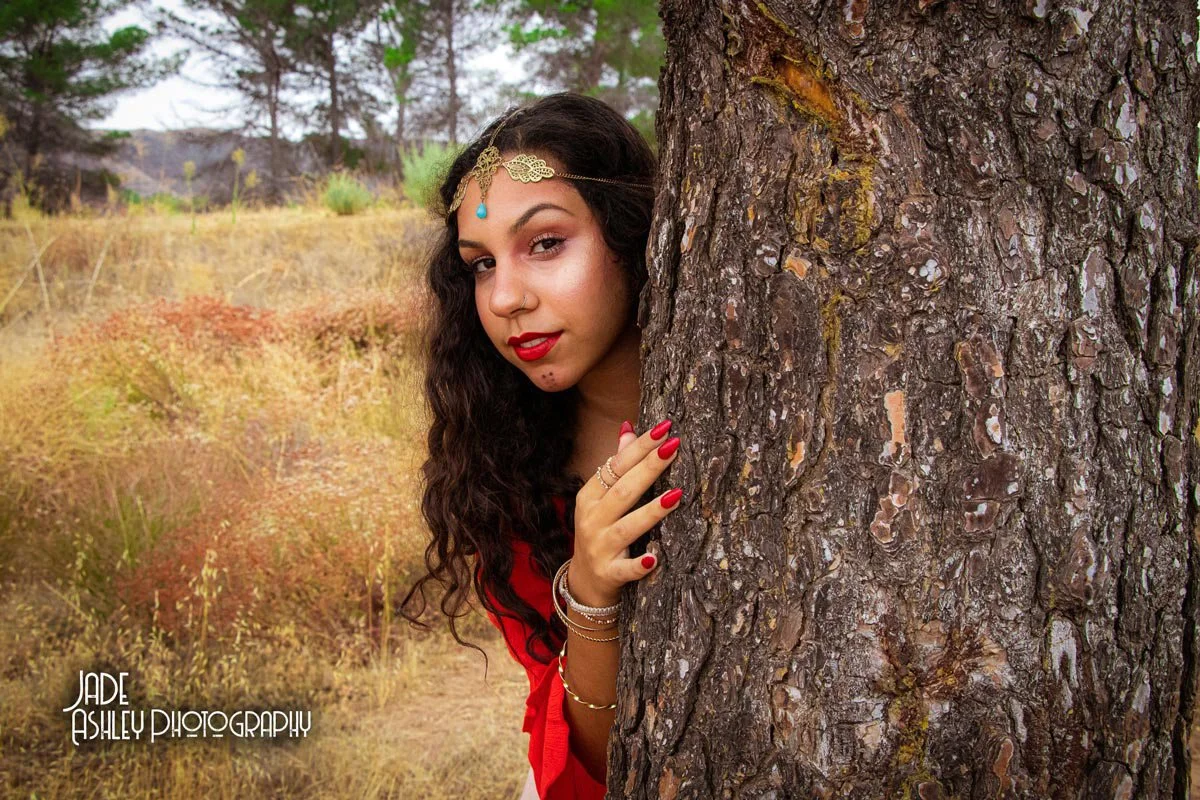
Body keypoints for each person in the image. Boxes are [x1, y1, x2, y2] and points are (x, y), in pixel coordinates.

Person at [398, 92, 685, 799]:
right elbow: (582, 759)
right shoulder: (503, 472)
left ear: (631, 234)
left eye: (546, 243)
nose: (504, 300)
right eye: (481, 264)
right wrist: (590, 591)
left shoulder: (757, 404)